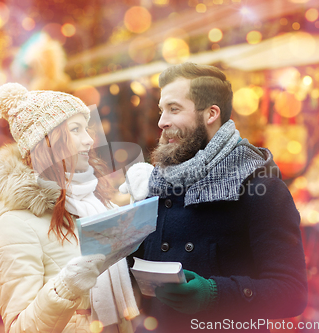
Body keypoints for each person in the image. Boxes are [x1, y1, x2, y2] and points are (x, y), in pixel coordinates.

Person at [122, 63, 308, 332]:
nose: (161, 121)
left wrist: (212, 294)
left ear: (211, 114)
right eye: (162, 110)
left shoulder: (260, 187)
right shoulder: (156, 184)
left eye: (174, 109)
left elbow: (292, 293)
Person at [0, 83, 139, 333]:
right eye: (75, 130)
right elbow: (18, 328)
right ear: (47, 142)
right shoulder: (13, 225)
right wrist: (64, 288)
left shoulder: (95, 200)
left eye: (86, 129)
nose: (89, 140)